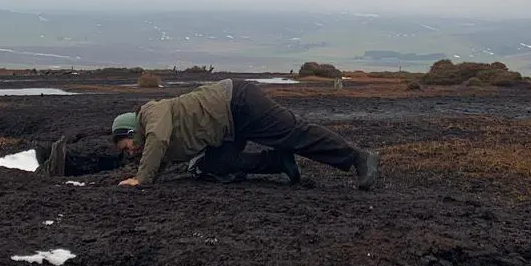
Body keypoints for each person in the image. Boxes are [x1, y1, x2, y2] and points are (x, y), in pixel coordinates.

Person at [102, 77, 378, 189]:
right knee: (215, 164)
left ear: (131, 130)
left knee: (295, 134)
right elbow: (159, 157)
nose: (130, 151)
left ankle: (358, 158)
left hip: (238, 102)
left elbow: (158, 140)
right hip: (227, 129)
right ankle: (278, 161)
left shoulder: (151, 112)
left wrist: (141, 179)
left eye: (126, 145)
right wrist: (147, 180)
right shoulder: (154, 137)